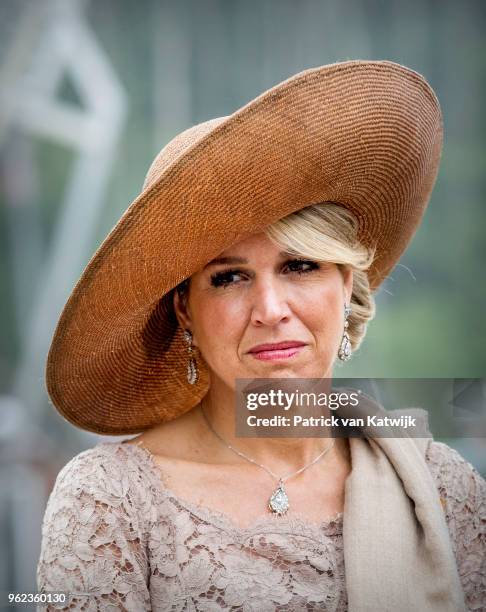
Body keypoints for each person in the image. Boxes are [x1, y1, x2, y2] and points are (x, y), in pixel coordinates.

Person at [36, 61, 485, 611]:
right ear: (185, 310)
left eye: (299, 266)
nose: (270, 310)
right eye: (229, 278)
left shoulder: (443, 489)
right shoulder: (110, 501)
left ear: (347, 285)